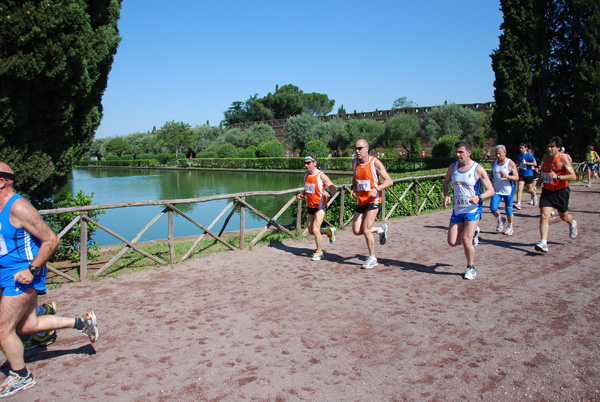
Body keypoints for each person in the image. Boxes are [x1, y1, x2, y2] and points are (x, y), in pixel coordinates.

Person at [0, 162, 99, 397]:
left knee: (2, 329)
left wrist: (32, 270)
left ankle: (21, 376)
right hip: (6, 272)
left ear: (2, 181)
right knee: (27, 326)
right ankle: (82, 323)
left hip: (23, 274)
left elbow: (51, 239)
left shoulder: (19, 207)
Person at [443, 140, 495, 280]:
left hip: (473, 210)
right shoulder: (453, 167)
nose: (458, 155)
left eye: (461, 152)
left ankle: (470, 267)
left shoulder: (477, 169)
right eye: (456, 152)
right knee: (452, 242)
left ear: (469, 153)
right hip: (458, 210)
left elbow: (491, 190)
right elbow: (445, 182)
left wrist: (479, 197)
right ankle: (474, 234)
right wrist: (447, 195)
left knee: (466, 239)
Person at [350, 139, 393, 269]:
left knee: (366, 229)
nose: (357, 151)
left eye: (360, 148)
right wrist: (353, 186)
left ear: (367, 149)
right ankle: (380, 229)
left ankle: (372, 258)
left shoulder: (375, 163)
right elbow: (355, 175)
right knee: (357, 230)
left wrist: (377, 189)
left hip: (373, 200)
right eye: (356, 148)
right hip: (361, 200)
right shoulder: (354, 162)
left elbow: (389, 181)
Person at [535, 137, 578, 253]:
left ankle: (572, 222)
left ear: (558, 148)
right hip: (547, 191)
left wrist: (557, 177)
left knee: (563, 216)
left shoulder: (562, 160)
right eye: (548, 146)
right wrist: (541, 181)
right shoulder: (546, 159)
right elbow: (546, 173)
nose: (549, 149)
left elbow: (573, 176)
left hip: (561, 192)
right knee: (544, 215)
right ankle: (543, 242)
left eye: (552, 147)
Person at [296, 155, 337, 261]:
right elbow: (309, 188)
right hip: (309, 205)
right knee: (311, 231)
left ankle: (319, 252)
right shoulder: (305, 174)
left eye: (308, 163)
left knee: (315, 229)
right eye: (305, 163)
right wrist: (303, 194)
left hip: (320, 206)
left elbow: (333, 187)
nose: (306, 165)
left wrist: (329, 193)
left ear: (315, 163)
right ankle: (329, 232)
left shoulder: (321, 175)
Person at [490, 145, 518, 236]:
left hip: (508, 190)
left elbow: (516, 177)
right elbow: (492, 174)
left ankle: (510, 226)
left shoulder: (510, 163)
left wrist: (507, 176)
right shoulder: (494, 163)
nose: (498, 156)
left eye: (500, 154)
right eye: (496, 154)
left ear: (505, 153)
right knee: (493, 208)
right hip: (497, 190)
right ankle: (500, 219)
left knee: (508, 210)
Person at [515, 142, 537, 209]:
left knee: (530, 189)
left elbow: (535, 163)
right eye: (520, 148)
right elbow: (519, 163)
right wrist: (518, 167)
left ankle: (534, 196)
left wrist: (526, 163)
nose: (521, 149)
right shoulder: (519, 155)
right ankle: (519, 203)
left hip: (528, 174)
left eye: (522, 148)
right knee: (519, 189)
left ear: (526, 148)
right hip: (521, 174)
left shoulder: (529, 155)